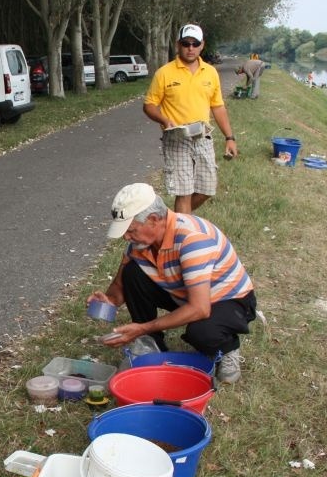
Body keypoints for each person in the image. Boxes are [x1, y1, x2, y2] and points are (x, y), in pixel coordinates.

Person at [88, 183, 257, 384]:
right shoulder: (140, 243)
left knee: (201, 333)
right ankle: (152, 344)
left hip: (228, 299)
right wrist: (108, 301)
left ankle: (227, 347)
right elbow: (120, 286)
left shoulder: (192, 239)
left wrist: (142, 327)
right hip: (186, 293)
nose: (126, 237)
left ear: (153, 220)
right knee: (133, 273)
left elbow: (200, 308)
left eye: (131, 230)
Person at [143, 24, 237, 215]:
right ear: (178, 45)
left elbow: (218, 106)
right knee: (184, 193)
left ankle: (174, 219)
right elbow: (149, 105)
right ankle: (181, 232)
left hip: (202, 136)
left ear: (202, 45)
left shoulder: (210, 72)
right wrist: (164, 119)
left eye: (195, 43)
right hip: (177, 138)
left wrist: (230, 137)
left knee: (207, 189)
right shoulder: (164, 73)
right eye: (186, 43)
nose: (190, 48)